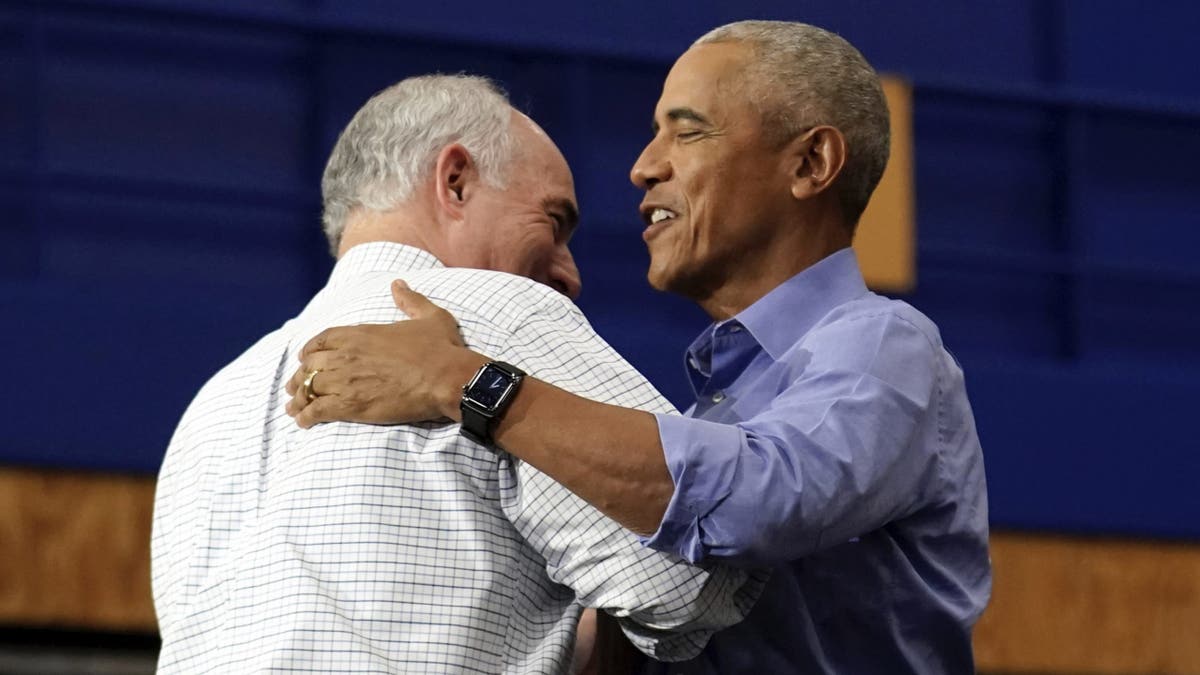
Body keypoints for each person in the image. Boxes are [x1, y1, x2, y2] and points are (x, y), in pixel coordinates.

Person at [286, 21, 991, 674]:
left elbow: (757, 501)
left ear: (810, 162)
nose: (642, 166)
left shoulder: (888, 347)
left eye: (687, 134)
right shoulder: (702, 419)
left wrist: (467, 383)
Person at [151, 74, 760, 675]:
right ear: (456, 181)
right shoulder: (499, 313)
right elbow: (690, 579)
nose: (570, 275)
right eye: (553, 221)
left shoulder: (215, 402)